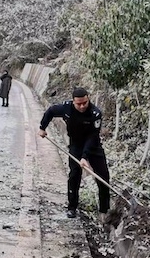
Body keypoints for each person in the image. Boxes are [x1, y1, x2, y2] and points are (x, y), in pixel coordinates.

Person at [38, 87, 110, 219]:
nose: (82, 106)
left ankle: (104, 211)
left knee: (103, 177)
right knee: (74, 175)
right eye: (79, 104)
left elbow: (93, 136)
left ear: (88, 99)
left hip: (93, 146)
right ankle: (72, 207)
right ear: (73, 101)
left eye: (85, 103)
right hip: (76, 145)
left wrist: (85, 157)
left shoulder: (95, 114)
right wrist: (42, 127)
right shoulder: (66, 108)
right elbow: (51, 111)